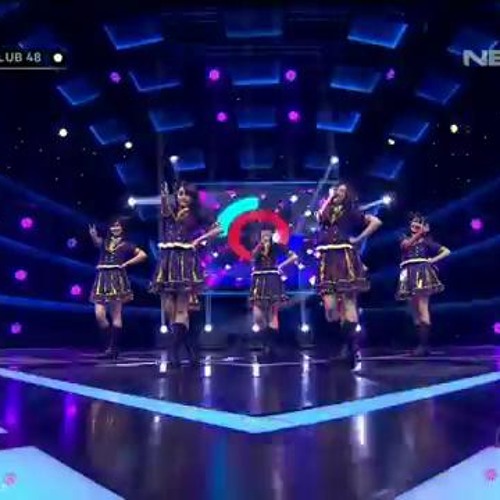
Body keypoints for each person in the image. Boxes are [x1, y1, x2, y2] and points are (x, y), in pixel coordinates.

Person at [150, 181, 221, 367]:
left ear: (192, 198)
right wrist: (164, 196)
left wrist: (199, 239)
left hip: (185, 260)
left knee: (182, 308)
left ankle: (173, 352)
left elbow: (219, 229)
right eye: (180, 193)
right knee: (170, 309)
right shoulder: (170, 211)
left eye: (186, 194)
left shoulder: (196, 214)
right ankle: (190, 347)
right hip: (168, 260)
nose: (183, 197)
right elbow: (165, 209)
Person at [316, 183, 382, 368]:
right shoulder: (326, 210)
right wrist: (329, 198)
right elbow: (319, 217)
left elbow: (376, 222)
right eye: (336, 190)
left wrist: (359, 239)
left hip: (345, 256)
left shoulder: (351, 211)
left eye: (342, 191)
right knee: (330, 307)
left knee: (348, 301)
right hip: (327, 257)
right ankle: (343, 343)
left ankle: (348, 349)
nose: (338, 192)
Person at [89, 218, 147, 359]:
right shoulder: (105, 242)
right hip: (102, 278)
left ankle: (112, 349)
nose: (115, 228)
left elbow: (143, 255)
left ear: (122, 228)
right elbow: (97, 243)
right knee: (99, 314)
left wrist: (126, 264)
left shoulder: (126, 244)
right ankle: (109, 346)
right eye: (113, 226)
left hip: (116, 278)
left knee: (116, 314)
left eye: (118, 226)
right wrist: (93, 235)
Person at [396, 213, 450, 355]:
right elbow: (406, 246)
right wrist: (421, 233)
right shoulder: (403, 237)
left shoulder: (426, 241)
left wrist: (432, 260)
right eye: (413, 222)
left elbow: (446, 251)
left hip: (421, 271)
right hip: (407, 272)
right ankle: (420, 343)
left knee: (422, 306)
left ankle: (423, 345)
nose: (415, 224)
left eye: (418, 222)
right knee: (414, 310)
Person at [249, 228, 298, 357]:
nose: (265, 236)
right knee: (258, 315)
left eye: (267, 234)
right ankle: (265, 341)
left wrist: (281, 266)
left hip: (272, 279)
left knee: (272, 313)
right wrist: (261, 246)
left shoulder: (277, 247)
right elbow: (252, 257)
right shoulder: (257, 247)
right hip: (259, 280)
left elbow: (294, 256)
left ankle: (269, 347)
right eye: (263, 234)